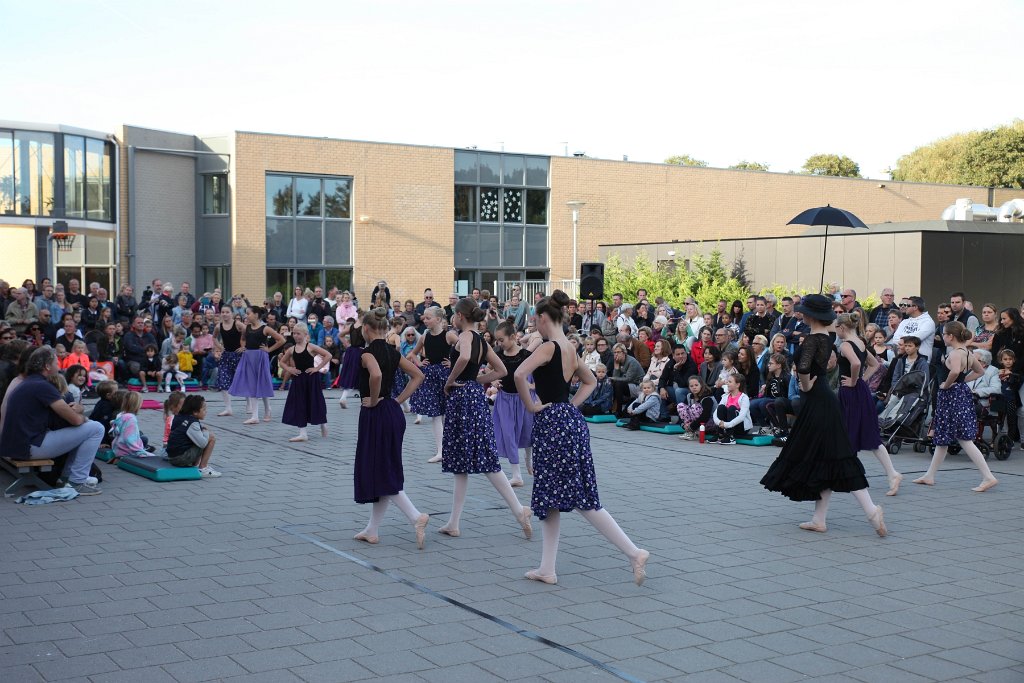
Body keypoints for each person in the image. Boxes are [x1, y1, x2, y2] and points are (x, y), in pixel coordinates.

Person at [514, 290, 649, 586]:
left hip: (553, 425)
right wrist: (569, 406)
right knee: (552, 497)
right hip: (568, 422)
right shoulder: (569, 348)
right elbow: (589, 381)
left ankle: (633, 551)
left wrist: (531, 405)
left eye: (535, 319)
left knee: (579, 498)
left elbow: (519, 375)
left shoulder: (549, 347)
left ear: (542, 318)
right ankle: (547, 568)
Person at [760, 294, 888, 537]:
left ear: (809, 315)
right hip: (823, 401)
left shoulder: (813, 340)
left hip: (818, 401)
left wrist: (805, 385)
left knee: (839, 457)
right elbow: (828, 327)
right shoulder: (827, 336)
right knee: (826, 458)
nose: (799, 314)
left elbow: (805, 369)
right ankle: (819, 519)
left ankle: (872, 511)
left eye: (803, 311)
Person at [437, 297, 532, 540]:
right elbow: (501, 370)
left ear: (459, 316)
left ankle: (519, 509)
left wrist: (451, 380)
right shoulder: (482, 340)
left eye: (454, 315)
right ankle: (454, 522)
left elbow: (465, 357)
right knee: (464, 462)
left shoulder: (467, 337)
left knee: (482, 458)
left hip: (462, 399)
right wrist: (477, 381)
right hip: (473, 398)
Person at [349, 308, 431, 546]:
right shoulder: (394, 353)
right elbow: (418, 376)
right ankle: (372, 529)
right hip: (392, 413)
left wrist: (374, 400)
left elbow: (374, 375)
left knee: (381, 470)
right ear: (385, 329)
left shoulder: (365, 354)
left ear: (366, 329)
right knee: (382, 468)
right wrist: (398, 400)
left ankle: (416, 516)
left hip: (376, 414)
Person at [0, 346, 104, 493]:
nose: (59, 366)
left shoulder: (28, 382)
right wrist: (80, 413)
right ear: (47, 366)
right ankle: (77, 481)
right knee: (96, 428)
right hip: (27, 447)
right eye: (56, 363)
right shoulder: (42, 386)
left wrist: (78, 415)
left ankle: (68, 478)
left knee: (88, 427)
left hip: (16, 444)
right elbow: (75, 420)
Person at [913, 322, 999, 492]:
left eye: (944, 334)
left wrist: (947, 385)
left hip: (951, 396)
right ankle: (929, 475)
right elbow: (979, 371)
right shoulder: (967, 352)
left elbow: (954, 372)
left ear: (950, 336)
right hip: (959, 394)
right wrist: (962, 381)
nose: (942, 337)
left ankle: (988, 476)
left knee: (963, 439)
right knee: (943, 437)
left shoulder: (955, 353)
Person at [835, 313, 904, 496]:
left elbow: (857, 363)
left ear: (842, 328)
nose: (835, 331)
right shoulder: (860, 342)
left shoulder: (845, 345)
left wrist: (853, 381)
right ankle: (891, 474)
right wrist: (861, 381)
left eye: (836, 327)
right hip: (860, 391)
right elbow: (875, 365)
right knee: (866, 433)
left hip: (850, 393)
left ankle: (851, 475)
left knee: (849, 432)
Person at [408, 307, 455, 460]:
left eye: (428, 318)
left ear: (439, 319)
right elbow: (412, 354)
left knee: (447, 413)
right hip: (430, 377)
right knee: (436, 415)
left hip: (446, 376)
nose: (425, 320)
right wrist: (420, 364)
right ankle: (441, 451)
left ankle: (449, 448)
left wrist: (453, 362)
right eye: (424, 318)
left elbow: (466, 349)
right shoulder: (424, 337)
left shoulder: (449, 335)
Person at [492, 321, 534, 487]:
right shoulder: (498, 355)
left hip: (524, 400)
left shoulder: (526, 355)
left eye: (502, 340)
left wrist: (532, 386)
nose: (499, 343)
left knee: (528, 432)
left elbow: (540, 376)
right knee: (509, 434)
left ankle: (528, 459)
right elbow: (488, 370)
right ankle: (517, 475)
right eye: (497, 340)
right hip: (505, 399)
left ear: (513, 337)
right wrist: (494, 380)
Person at [230, 307, 285, 425]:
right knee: (252, 385)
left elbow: (281, 340)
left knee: (262, 383)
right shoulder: (247, 328)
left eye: (248, 314)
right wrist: (244, 346)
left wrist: (269, 349)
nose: (246, 316)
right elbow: (243, 339)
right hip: (249, 357)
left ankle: (267, 409)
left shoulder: (265, 328)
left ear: (256, 315)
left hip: (260, 357)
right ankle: (255, 416)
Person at [279, 322, 332, 442]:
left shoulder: (311, 347)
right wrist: (289, 369)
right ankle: (303, 433)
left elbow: (328, 355)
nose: (296, 336)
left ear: (305, 334)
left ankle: (323, 423)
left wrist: (317, 368)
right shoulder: (291, 349)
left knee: (315, 402)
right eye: (294, 333)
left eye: (298, 334)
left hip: (311, 379)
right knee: (299, 404)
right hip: (298, 380)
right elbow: (282, 362)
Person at [165, 395, 221, 477]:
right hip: (180, 458)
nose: (206, 412)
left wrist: (200, 430)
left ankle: (195, 465)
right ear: (195, 412)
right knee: (211, 437)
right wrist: (206, 432)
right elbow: (202, 443)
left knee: (197, 438)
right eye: (204, 409)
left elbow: (183, 431)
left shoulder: (178, 417)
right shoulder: (192, 423)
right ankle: (203, 468)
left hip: (171, 457)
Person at [214, 307, 245, 415]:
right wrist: (219, 347)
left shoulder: (238, 324)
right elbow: (213, 338)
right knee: (223, 380)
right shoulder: (219, 326)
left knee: (243, 380)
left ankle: (249, 404)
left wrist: (244, 346)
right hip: (226, 356)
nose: (225, 314)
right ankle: (228, 408)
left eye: (227, 312)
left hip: (238, 355)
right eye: (223, 312)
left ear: (232, 313)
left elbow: (249, 333)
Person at [111, 392, 150, 461]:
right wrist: (139, 451)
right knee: (152, 456)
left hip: (118, 448)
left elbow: (115, 432)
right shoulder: (131, 418)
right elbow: (129, 439)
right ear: (136, 405)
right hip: (127, 451)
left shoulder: (121, 414)